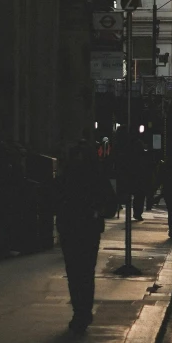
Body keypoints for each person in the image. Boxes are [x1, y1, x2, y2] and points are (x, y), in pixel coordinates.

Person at [55, 137, 116, 333]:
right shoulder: (96, 175)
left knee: (74, 271)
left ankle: (79, 311)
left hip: (71, 227)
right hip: (87, 227)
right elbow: (110, 204)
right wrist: (97, 212)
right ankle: (83, 310)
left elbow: (53, 198)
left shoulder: (66, 176)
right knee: (85, 271)